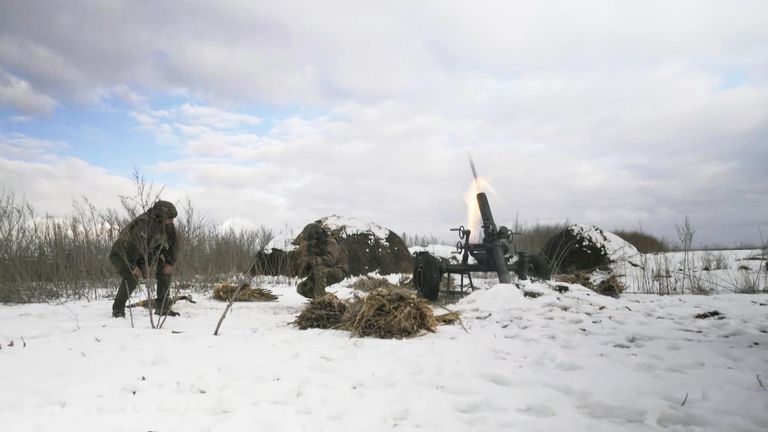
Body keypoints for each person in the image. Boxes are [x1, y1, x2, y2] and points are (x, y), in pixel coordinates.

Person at [109, 200, 179, 317]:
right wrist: (133, 266)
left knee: (165, 270)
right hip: (122, 254)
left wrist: (170, 262)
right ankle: (118, 309)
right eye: (169, 218)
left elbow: (173, 245)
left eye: (173, 218)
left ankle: (162, 308)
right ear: (160, 216)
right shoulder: (144, 225)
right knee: (132, 277)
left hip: (144, 254)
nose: (172, 221)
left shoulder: (168, 226)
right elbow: (132, 248)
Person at [296, 223, 349, 299]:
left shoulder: (331, 241)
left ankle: (320, 302)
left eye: (313, 240)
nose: (311, 242)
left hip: (339, 270)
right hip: (320, 271)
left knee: (319, 270)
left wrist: (311, 260)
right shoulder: (313, 245)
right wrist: (303, 265)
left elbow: (330, 260)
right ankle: (327, 298)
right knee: (302, 288)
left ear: (318, 235)